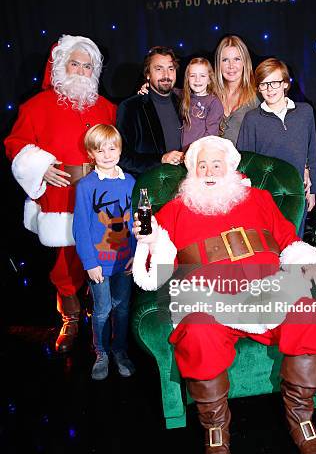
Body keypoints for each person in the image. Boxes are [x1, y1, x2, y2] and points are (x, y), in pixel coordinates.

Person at [132, 136, 316, 454]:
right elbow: (157, 271)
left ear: (230, 167)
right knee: (197, 332)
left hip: (267, 290)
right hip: (209, 297)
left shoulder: (258, 199)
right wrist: (149, 241)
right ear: (192, 172)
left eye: (216, 164)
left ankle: (301, 419)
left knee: (310, 316)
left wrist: (308, 262)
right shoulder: (174, 210)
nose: (210, 171)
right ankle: (216, 429)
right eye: (202, 165)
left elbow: (289, 242)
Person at [4, 35, 117, 353]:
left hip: (100, 197)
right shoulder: (35, 106)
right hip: (61, 197)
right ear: (61, 66)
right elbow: (15, 144)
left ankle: (100, 317)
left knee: (101, 260)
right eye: (75, 63)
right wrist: (40, 167)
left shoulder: (107, 107)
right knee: (65, 265)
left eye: (87, 65)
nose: (81, 70)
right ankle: (71, 316)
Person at [73, 125, 136, 380]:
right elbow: (81, 228)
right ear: (91, 154)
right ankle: (101, 352)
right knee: (102, 309)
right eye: (101, 150)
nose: (108, 155)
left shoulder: (130, 182)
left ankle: (119, 350)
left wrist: (135, 254)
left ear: (120, 150)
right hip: (99, 264)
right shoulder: (86, 187)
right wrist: (90, 262)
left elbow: (133, 223)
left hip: (125, 261)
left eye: (112, 148)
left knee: (122, 308)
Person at [237, 58, 316, 237]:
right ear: (258, 88)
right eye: (264, 84)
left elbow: (312, 152)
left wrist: (313, 190)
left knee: (294, 243)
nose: (269, 89)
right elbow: (244, 162)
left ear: (285, 84)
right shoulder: (252, 119)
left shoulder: (305, 112)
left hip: (296, 193)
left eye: (274, 83)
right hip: (266, 196)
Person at [116, 46, 184, 176]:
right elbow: (122, 157)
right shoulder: (130, 107)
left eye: (171, 69)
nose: (166, 75)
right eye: (159, 69)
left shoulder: (184, 104)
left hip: (184, 185)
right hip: (149, 187)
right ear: (148, 74)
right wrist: (161, 159)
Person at [214, 35, 259, 145]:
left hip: (247, 161)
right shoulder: (210, 95)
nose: (231, 66)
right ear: (218, 64)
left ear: (245, 62)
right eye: (225, 60)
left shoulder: (258, 96)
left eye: (237, 59)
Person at [179, 57, 224, 151]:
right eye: (192, 76)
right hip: (182, 153)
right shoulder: (184, 96)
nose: (197, 80)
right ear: (187, 79)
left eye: (202, 76)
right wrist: (147, 86)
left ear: (209, 80)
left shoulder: (213, 102)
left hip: (201, 153)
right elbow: (165, 91)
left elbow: (211, 134)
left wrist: (196, 151)